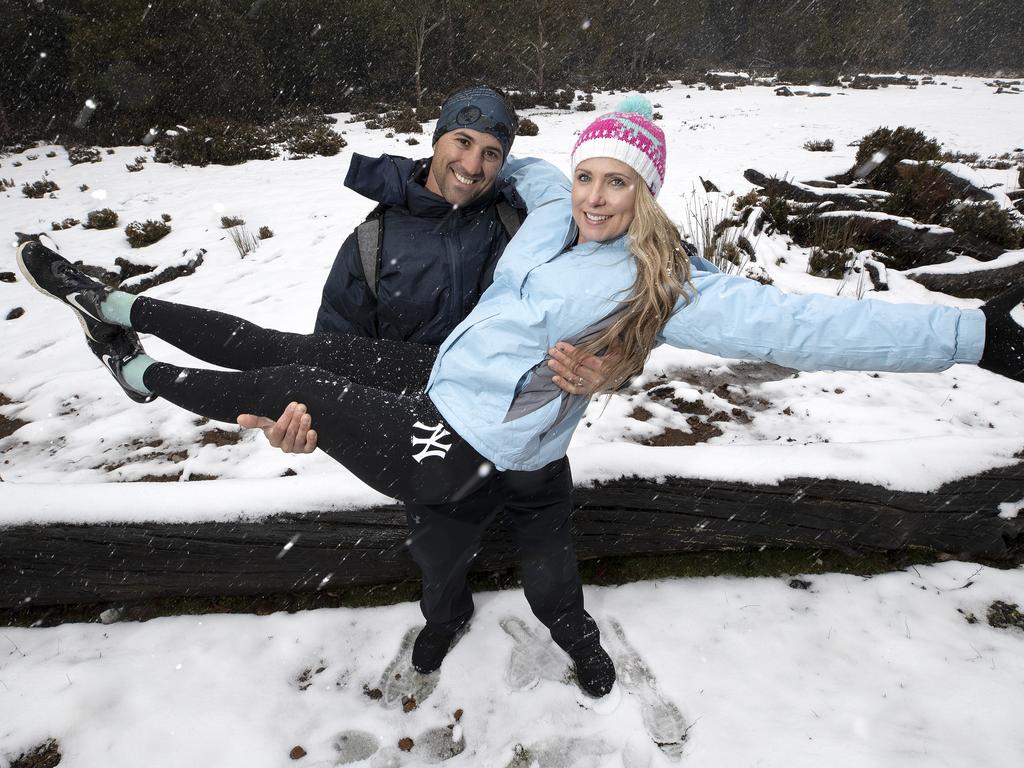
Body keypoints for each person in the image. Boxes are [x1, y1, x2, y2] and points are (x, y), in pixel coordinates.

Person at [17, 97, 1024, 698]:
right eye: (589, 174)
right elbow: (506, 156)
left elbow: (812, 327)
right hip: (433, 391)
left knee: (543, 566)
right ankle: (110, 302)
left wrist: (971, 331)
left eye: (619, 183)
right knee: (289, 358)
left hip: (475, 447)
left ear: (648, 196)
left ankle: (135, 375)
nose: (593, 195)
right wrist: (402, 164)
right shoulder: (545, 208)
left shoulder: (662, 283)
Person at [241, 85, 616, 686]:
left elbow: (608, 300)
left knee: (551, 557)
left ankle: (573, 630)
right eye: (463, 142)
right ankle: (445, 618)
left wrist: (612, 362)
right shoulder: (372, 245)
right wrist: (295, 418)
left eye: (492, 152)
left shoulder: (530, 231)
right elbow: (335, 357)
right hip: (432, 440)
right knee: (438, 557)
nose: (473, 165)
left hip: (529, 434)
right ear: (435, 139)